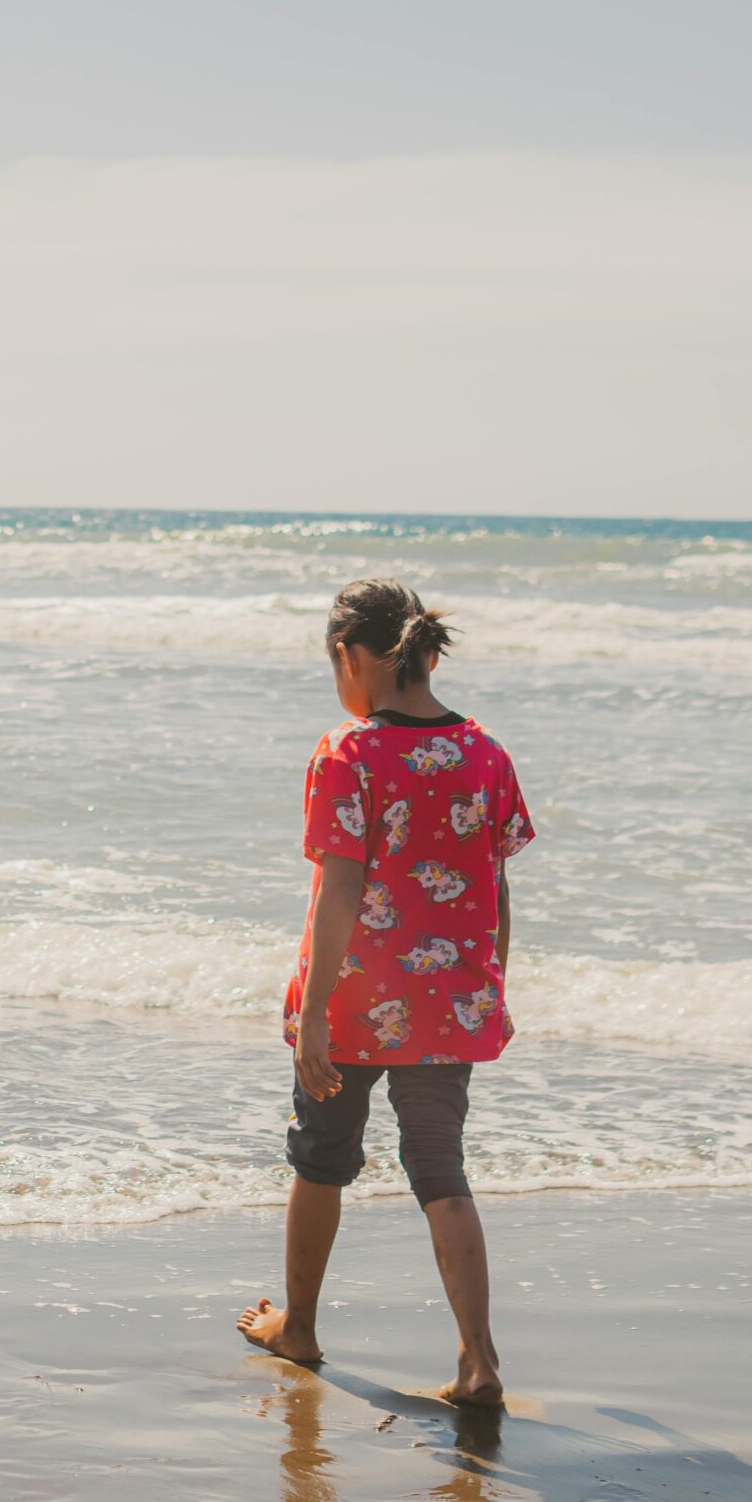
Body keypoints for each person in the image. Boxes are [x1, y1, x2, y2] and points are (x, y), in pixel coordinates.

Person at [238, 579, 535, 1407]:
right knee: (440, 1167)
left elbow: (340, 891)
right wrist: (490, 987)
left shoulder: (350, 752)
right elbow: (495, 887)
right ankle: (479, 1360)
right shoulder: (486, 753)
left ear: (352, 657)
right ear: (429, 653)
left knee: (322, 1155)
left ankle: (299, 1325)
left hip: (355, 1001)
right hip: (453, 1000)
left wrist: (312, 1019)